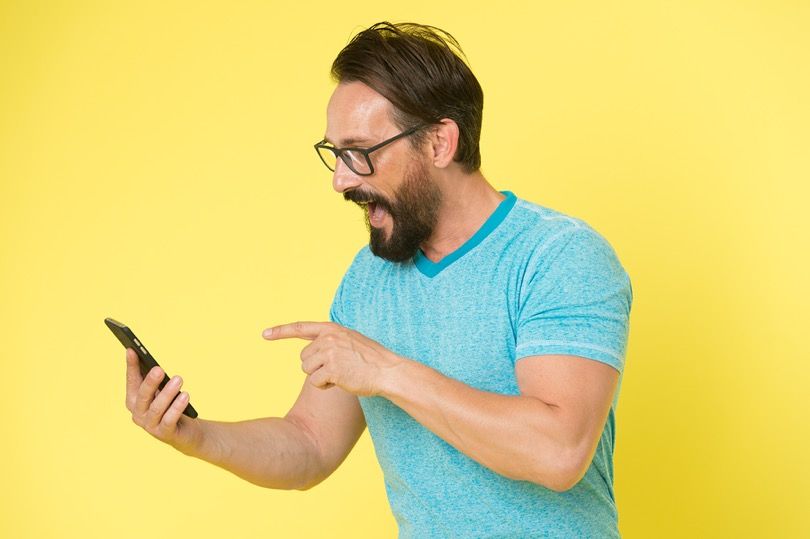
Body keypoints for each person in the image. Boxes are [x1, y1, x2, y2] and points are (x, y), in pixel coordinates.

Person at [124, 21, 633, 538]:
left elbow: (558, 451)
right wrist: (195, 436)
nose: (340, 180)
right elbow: (310, 443)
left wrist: (387, 371)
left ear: (439, 143)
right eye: (335, 154)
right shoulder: (369, 278)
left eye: (360, 152)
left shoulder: (558, 256)